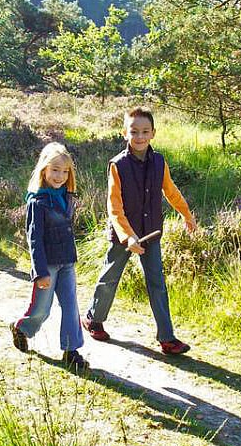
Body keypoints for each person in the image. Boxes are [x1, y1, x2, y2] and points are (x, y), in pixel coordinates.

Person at [82, 106, 197, 355]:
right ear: (125, 133)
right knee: (109, 278)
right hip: (124, 234)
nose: (140, 137)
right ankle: (93, 318)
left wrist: (186, 213)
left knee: (157, 283)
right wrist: (127, 236)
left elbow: (171, 191)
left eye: (145, 131)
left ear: (153, 133)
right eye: (134, 131)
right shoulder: (118, 165)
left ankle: (167, 338)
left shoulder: (159, 162)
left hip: (151, 233)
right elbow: (114, 207)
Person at [10, 142, 89, 371]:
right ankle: (21, 328)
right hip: (47, 266)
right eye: (55, 169)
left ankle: (71, 350)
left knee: (71, 306)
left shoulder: (67, 196)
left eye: (65, 171)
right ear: (44, 169)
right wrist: (40, 271)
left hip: (67, 262)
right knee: (41, 309)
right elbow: (34, 239)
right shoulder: (37, 201)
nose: (60, 176)